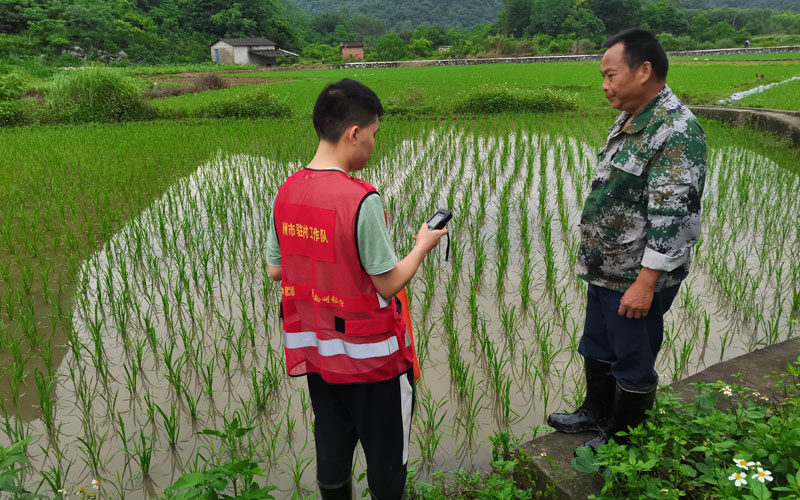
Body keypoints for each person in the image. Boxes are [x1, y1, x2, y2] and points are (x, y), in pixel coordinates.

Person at [266, 78, 447, 499]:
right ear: (354, 133)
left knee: (332, 450)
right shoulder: (360, 199)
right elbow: (388, 281)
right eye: (374, 135)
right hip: (373, 365)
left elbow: (277, 271)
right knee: (387, 460)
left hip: (319, 356)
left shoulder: (286, 191)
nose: (372, 144)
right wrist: (422, 245)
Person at [547, 29, 707, 451]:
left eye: (610, 74)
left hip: (637, 277)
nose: (604, 85)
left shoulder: (675, 130)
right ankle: (595, 413)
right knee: (596, 345)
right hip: (607, 268)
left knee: (632, 360)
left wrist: (646, 283)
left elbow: (674, 218)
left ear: (644, 71)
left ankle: (624, 441)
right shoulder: (633, 116)